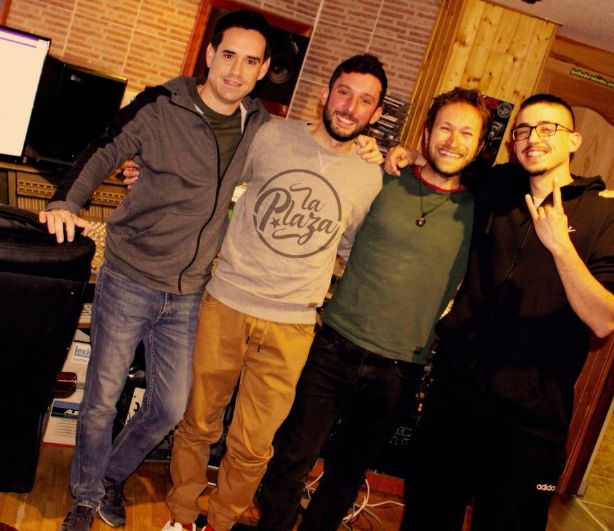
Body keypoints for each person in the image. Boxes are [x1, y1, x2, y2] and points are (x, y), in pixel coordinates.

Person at [39, 10, 274, 531]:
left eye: (250, 61)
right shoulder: (162, 104)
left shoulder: (260, 128)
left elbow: (310, 152)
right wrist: (65, 201)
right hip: (130, 277)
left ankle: (109, 476)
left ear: (263, 70)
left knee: (169, 407)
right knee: (102, 399)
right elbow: (105, 148)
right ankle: (84, 497)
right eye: (228, 55)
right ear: (209, 55)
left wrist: (384, 153)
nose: (235, 70)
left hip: (189, 292)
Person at [162, 54, 388, 531]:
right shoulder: (271, 135)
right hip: (227, 301)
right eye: (344, 92)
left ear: (376, 113)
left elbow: (347, 245)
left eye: (365, 101)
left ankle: (220, 521)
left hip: (292, 325)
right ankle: (181, 515)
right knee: (198, 421)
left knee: (252, 444)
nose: (350, 108)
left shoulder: (371, 176)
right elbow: (216, 180)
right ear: (325, 93)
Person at [256, 87, 492, 531]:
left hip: (400, 368)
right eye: (445, 128)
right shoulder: (382, 178)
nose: (452, 141)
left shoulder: (480, 212)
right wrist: (387, 153)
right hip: (333, 345)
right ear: (426, 133)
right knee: (291, 456)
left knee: (345, 476)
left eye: (466, 133)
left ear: (479, 147)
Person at [400, 94, 614, 531]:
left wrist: (561, 247)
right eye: (524, 130)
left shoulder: (607, 214)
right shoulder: (498, 187)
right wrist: (405, 155)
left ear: (574, 141)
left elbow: (605, 319)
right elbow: (446, 163)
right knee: (426, 518)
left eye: (549, 129)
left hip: (530, 424)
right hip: (455, 401)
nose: (533, 138)